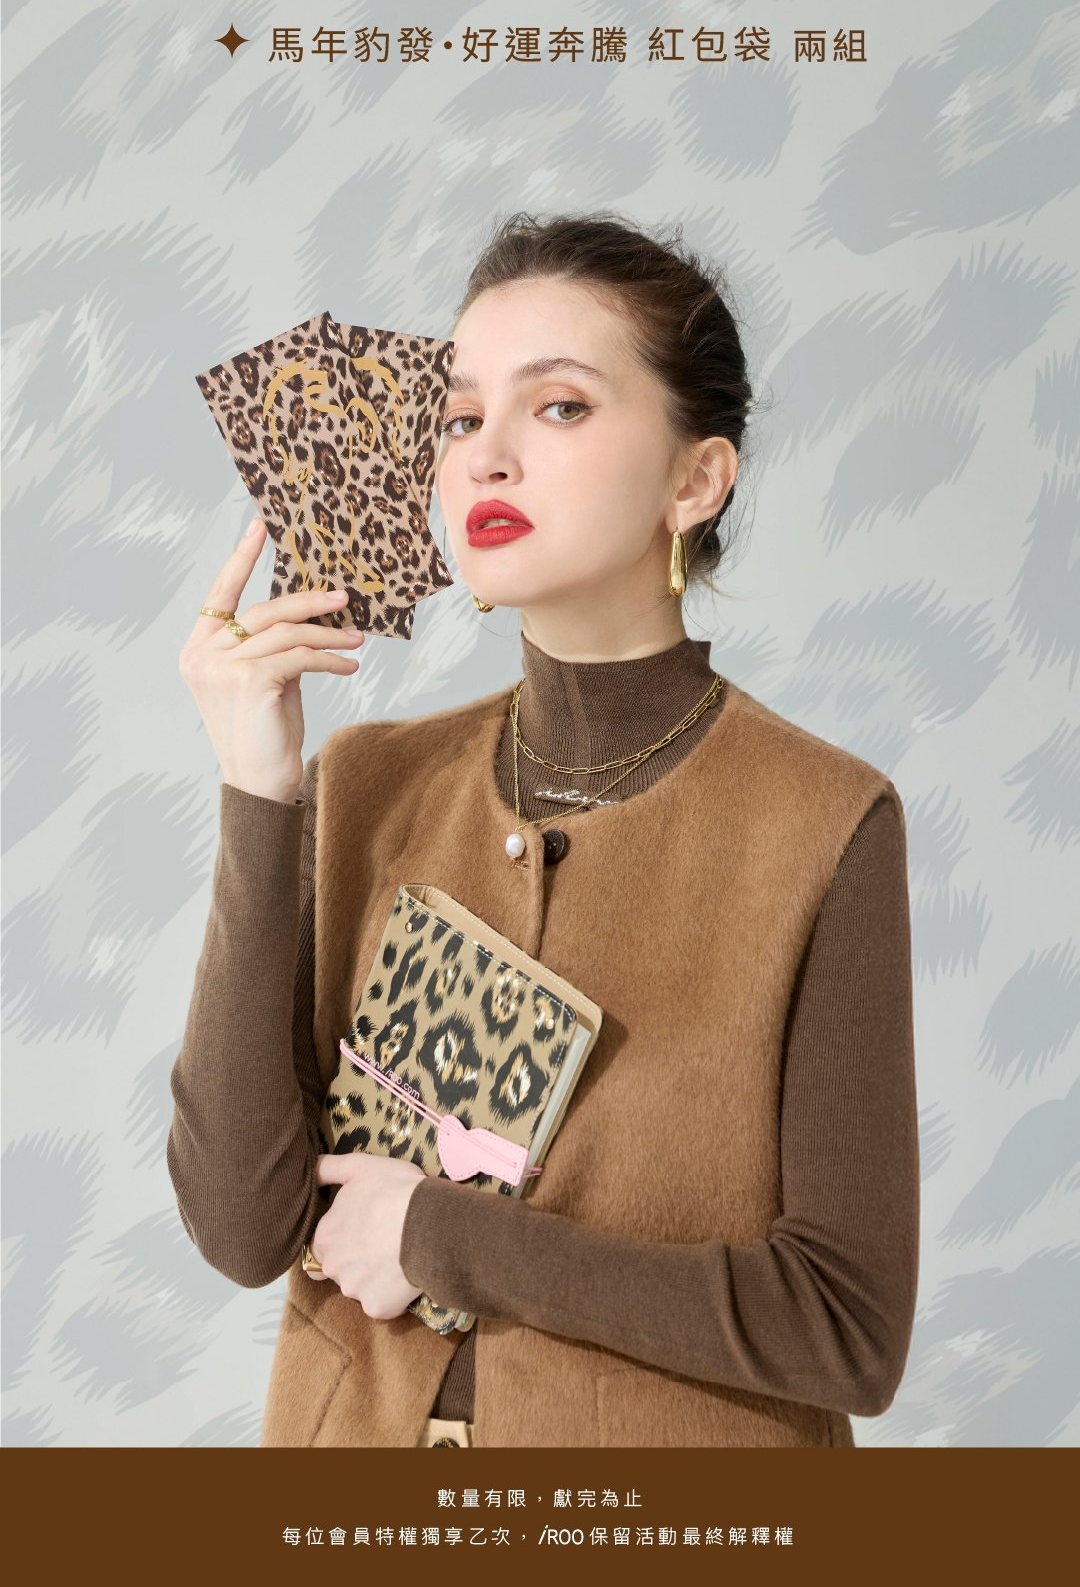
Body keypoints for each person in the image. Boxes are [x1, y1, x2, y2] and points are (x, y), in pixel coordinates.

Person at [169, 211, 919, 1450]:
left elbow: (844, 1329)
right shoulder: (365, 785)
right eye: (462, 417)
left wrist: (444, 1238)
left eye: (559, 406)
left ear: (696, 479)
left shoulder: (822, 822)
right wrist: (259, 791)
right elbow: (241, 1227)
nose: (488, 458)